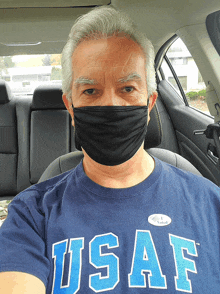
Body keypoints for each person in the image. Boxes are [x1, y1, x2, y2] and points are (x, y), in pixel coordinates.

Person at [0, 5, 220, 294]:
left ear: (150, 103)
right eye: (90, 91)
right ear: (71, 107)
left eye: (128, 88)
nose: (112, 105)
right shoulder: (31, 213)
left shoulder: (211, 204)